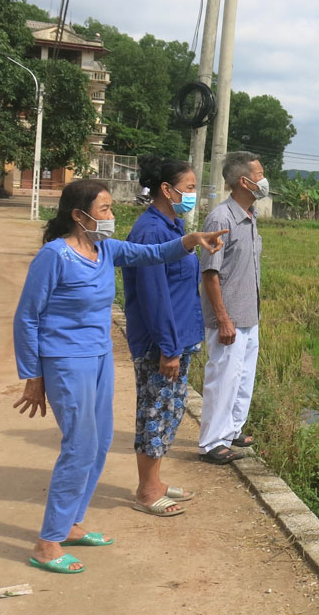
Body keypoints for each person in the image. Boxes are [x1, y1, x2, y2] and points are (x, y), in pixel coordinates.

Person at [12, 179, 227, 574]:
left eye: (111, 209)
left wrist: (192, 239)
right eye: (106, 209)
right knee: (79, 445)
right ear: (79, 215)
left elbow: (153, 253)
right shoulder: (54, 256)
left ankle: (72, 524)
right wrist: (33, 375)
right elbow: (28, 316)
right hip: (64, 360)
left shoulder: (105, 249)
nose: (112, 217)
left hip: (99, 358)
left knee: (100, 442)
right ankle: (47, 543)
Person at [122, 156, 203, 517]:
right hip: (162, 343)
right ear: (167, 190)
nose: (193, 194)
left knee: (169, 411)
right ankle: (146, 490)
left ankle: (155, 481)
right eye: (188, 188)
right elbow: (154, 297)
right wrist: (168, 349)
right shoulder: (151, 232)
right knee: (154, 412)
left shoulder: (173, 226)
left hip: (178, 337)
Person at [197, 151, 265, 464]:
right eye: (260, 173)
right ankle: (212, 443)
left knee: (242, 380)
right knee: (222, 379)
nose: (265, 180)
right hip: (229, 319)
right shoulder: (221, 219)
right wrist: (223, 319)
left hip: (249, 315)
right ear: (244, 180)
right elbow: (210, 273)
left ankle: (233, 429)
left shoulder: (249, 217)